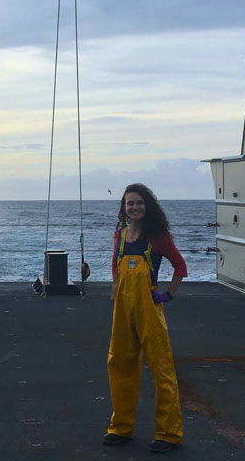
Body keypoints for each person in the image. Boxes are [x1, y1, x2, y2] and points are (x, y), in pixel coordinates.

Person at [103, 183, 187, 454]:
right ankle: (121, 427)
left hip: (149, 309)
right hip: (123, 308)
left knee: (161, 368)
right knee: (119, 364)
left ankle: (169, 433)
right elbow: (116, 270)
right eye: (130, 203)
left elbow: (180, 266)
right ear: (124, 208)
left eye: (139, 203)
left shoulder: (157, 237)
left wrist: (168, 295)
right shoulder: (120, 235)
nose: (135, 207)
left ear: (147, 206)